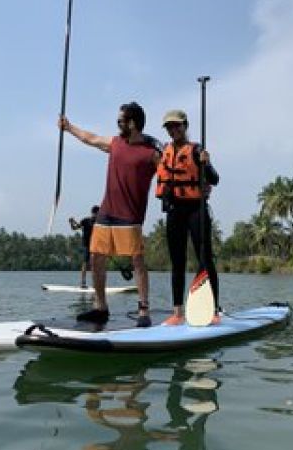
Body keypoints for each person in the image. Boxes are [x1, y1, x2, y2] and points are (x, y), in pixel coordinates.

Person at [58, 102, 162, 327]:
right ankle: (100, 307)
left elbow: (172, 171)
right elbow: (91, 138)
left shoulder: (151, 153)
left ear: (132, 124)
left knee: (137, 260)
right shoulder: (115, 143)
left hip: (130, 216)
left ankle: (143, 310)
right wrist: (69, 127)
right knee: (96, 257)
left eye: (120, 121)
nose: (117, 126)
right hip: (107, 213)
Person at [156, 109, 220, 325]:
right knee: (177, 261)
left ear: (185, 126)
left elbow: (214, 179)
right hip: (175, 210)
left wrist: (206, 163)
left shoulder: (196, 150)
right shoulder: (165, 151)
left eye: (177, 126)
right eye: (169, 127)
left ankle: (214, 310)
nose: (173, 130)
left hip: (196, 209)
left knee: (205, 258)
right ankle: (177, 312)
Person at [69, 205, 99, 288]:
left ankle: (95, 284)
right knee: (85, 263)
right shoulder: (85, 220)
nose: (97, 215)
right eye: (97, 214)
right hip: (86, 245)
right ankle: (83, 283)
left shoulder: (99, 222)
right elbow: (74, 228)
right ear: (93, 213)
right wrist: (71, 223)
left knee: (94, 264)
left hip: (95, 245)